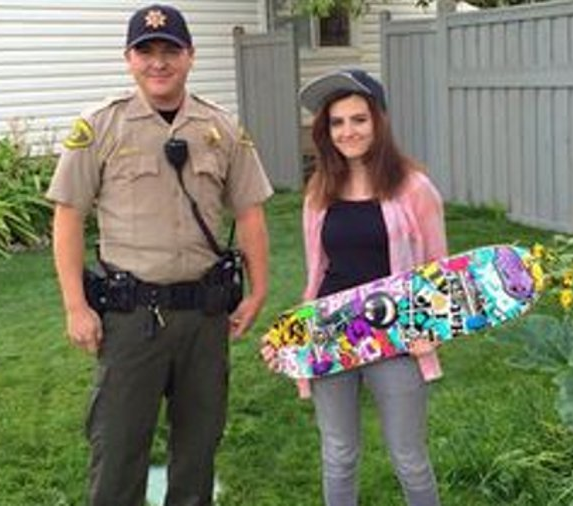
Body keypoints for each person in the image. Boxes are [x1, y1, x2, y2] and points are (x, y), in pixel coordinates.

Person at [46, 4, 273, 505]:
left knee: (198, 447)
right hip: (131, 319)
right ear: (129, 59)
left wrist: (258, 291)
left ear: (189, 56)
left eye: (170, 50)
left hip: (204, 316)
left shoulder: (222, 128)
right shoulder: (101, 127)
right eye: (145, 51)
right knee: (119, 447)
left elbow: (251, 212)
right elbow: (67, 216)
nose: (158, 62)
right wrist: (74, 305)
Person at [299, 69, 446, 506]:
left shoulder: (414, 188)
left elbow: (438, 271)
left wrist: (428, 328)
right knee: (339, 455)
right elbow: (316, 270)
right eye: (337, 122)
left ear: (378, 121)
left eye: (358, 119)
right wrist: (303, 334)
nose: (348, 131)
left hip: (397, 335)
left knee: (409, 457)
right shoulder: (320, 190)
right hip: (333, 332)